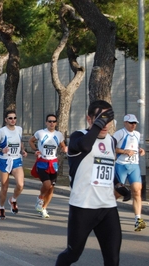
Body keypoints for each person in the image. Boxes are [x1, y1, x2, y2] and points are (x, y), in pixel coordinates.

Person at [56, 100, 121, 266]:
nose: (105, 123)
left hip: (107, 207)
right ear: (89, 119)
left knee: (112, 259)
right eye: (100, 118)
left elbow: (106, 167)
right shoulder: (78, 137)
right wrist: (98, 125)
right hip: (83, 207)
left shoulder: (112, 141)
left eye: (108, 119)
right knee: (73, 254)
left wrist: (118, 185)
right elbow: (85, 146)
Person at [29, 114, 67, 218]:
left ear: (56, 123)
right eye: (49, 121)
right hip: (42, 161)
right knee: (46, 184)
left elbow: (62, 145)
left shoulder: (59, 135)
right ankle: (40, 199)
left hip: (53, 162)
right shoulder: (41, 133)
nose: (52, 123)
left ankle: (44, 208)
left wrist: (64, 149)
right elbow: (31, 141)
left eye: (54, 121)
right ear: (46, 122)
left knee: (51, 188)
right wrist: (36, 150)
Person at [113, 114, 146, 231]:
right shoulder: (119, 133)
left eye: (135, 123)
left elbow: (135, 147)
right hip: (121, 165)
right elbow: (112, 147)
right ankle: (103, 211)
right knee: (118, 193)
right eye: (131, 123)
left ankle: (138, 219)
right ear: (125, 123)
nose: (133, 125)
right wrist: (124, 151)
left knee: (137, 191)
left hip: (134, 166)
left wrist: (140, 150)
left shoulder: (137, 134)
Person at [0, 110, 27, 219]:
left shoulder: (19, 129)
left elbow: (20, 142)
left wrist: (23, 150)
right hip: (5, 160)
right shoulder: (2, 131)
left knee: (20, 184)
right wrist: (1, 149)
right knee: (4, 187)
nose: (13, 120)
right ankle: (1, 207)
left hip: (16, 160)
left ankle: (13, 199)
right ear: (6, 120)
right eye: (10, 118)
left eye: (14, 118)